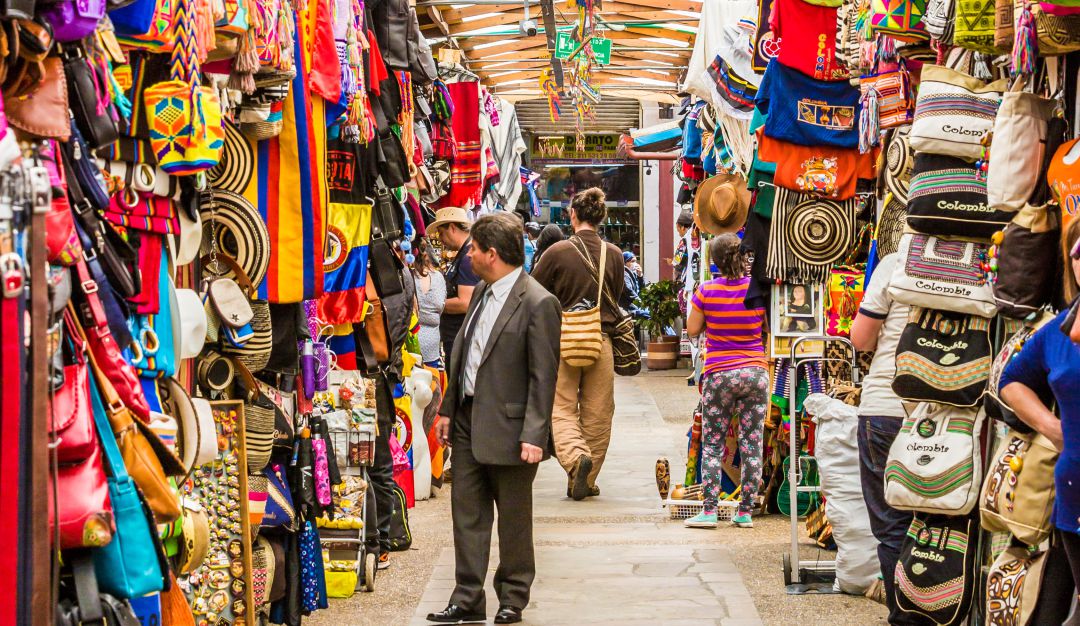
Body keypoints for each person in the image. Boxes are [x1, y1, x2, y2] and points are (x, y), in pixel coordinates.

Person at [428, 213, 562, 625]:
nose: (467, 253)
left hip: (513, 428)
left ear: (491, 253)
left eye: (473, 248)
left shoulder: (539, 302)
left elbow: (544, 375)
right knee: (466, 514)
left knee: (514, 520)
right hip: (468, 421)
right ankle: (467, 597)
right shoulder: (484, 291)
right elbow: (464, 354)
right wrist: (449, 408)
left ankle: (512, 597)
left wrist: (535, 434)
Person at [1000, 218, 1080, 626]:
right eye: (1079, 253)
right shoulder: (1060, 330)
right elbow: (1012, 382)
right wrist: (1052, 429)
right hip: (1074, 492)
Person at [532, 188, 625, 501]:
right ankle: (588, 475)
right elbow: (619, 293)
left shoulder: (556, 252)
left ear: (572, 215)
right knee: (599, 412)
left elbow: (534, 293)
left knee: (561, 408)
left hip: (565, 340)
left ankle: (575, 461)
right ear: (602, 218)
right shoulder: (614, 254)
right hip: (601, 340)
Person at [849, 252, 927, 625]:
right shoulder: (975, 261)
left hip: (887, 406)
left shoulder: (897, 262)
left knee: (892, 523)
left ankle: (904, 617)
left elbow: (861, 340)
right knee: (938, 519)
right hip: (950, 413)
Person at [683, 234, 768, 529]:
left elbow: (692, 328)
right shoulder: (757, 291)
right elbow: (766, 327)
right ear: (743, 255)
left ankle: (709, 509)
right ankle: (744, 511)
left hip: (719, 374)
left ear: (714, 261)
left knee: (713, 442)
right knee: (752, 443)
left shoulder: (706, 291)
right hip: (755, 373)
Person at [430, 207, 479, 361]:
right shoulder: (463, 254)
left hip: (459, 337)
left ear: (452, 228)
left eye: (441, 233)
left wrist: (432, 305)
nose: (440, 239)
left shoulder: (467, 258)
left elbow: (465, 303)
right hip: (456, 336)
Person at [414, 240, 447, 369]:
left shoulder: (406, 276)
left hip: (411, 348)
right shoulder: (438, 278)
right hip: (432, 349)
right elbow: (441, 308)